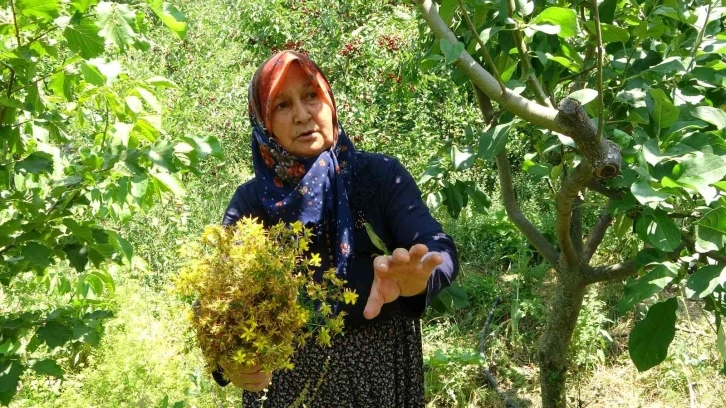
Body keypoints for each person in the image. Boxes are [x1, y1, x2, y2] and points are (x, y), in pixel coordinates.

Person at [216, 50, 459, 407]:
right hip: (288, 385)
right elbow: (218, 304)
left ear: (329, 100)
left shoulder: (379, 177)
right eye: (282, 105)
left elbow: (436, 245)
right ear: (263, 122)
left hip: (379, 373)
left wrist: (420, 277)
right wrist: (228, 364)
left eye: (311, 95)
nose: (302, 114)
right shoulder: (251, 205)